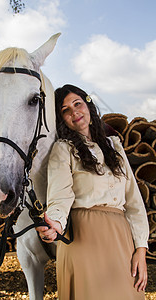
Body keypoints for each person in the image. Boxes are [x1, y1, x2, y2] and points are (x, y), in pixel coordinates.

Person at [36, 84, 149, 300]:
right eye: (65, 110)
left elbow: (134, 202)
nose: (74, 112)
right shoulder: (63, 149)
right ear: (62, 119)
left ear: (88, 104)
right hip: (83, 239)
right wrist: (56, 223)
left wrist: (141, 250)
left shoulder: (113, 146)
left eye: (77, 104)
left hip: (121, 237)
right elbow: (60, 196)